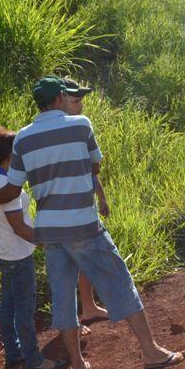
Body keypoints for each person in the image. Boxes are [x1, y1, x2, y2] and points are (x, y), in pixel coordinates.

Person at [0, 77, 184, 369]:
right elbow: (95, 168)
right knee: (120, 283)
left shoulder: (25, 138)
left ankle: (79, 368)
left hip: (50, 230)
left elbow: (13, 189)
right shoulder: (80, 125)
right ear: (59, 97)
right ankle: (151, 352)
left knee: (63, 297)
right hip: (83, 224)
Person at [0, 123, 68, 369]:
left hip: (3, 251)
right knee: (25, 309)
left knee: (7, 307)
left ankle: (14, 353)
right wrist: (48, 240)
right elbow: (20, 227)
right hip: (18, 253)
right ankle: (34, 359)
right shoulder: (7, 185)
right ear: (11, 157)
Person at [60, 78, 110, 321]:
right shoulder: (62, 131)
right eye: (76, 101)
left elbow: (91, 169)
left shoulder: (78, 127)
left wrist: (102, 198)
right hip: (68, 212)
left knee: (83, 262)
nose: (81, 106)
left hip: (82, 207)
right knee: (68, 267)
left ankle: (88, 307)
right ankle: (72, 320)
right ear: (60, 100)